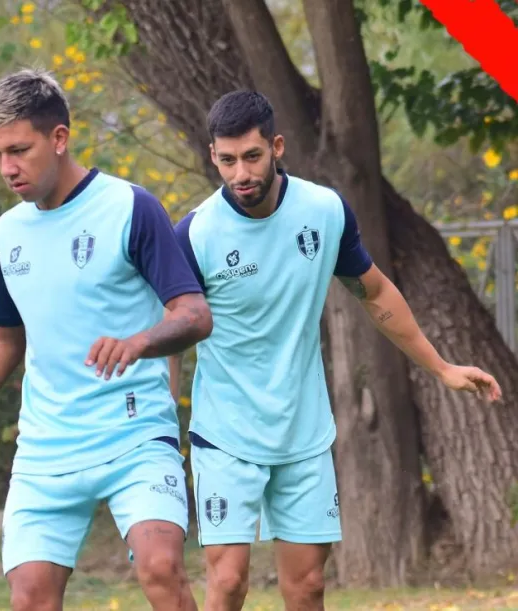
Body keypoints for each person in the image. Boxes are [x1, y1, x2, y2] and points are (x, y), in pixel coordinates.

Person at [170, 89, 502, 611]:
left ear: (277, 147)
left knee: (307, 588)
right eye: (228, 160)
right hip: (226, 431)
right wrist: (164, 420)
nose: (241, 174)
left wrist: (442, 367)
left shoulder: (323, 212)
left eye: (252, 157)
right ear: (213, 155)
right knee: (229, 582)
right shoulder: (194, 234)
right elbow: (173, 329)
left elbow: (375, 293)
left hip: (303, 431)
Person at [0, 69, 213, 611]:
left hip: (133, 431)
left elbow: (193, 314)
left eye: (19, 150)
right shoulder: (10, 231)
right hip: (48, 445)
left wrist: (139, 342)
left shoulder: (130, 207)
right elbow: (4, 342)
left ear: (60, 138)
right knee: (29, 598)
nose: (7, 167)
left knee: (161, 569)